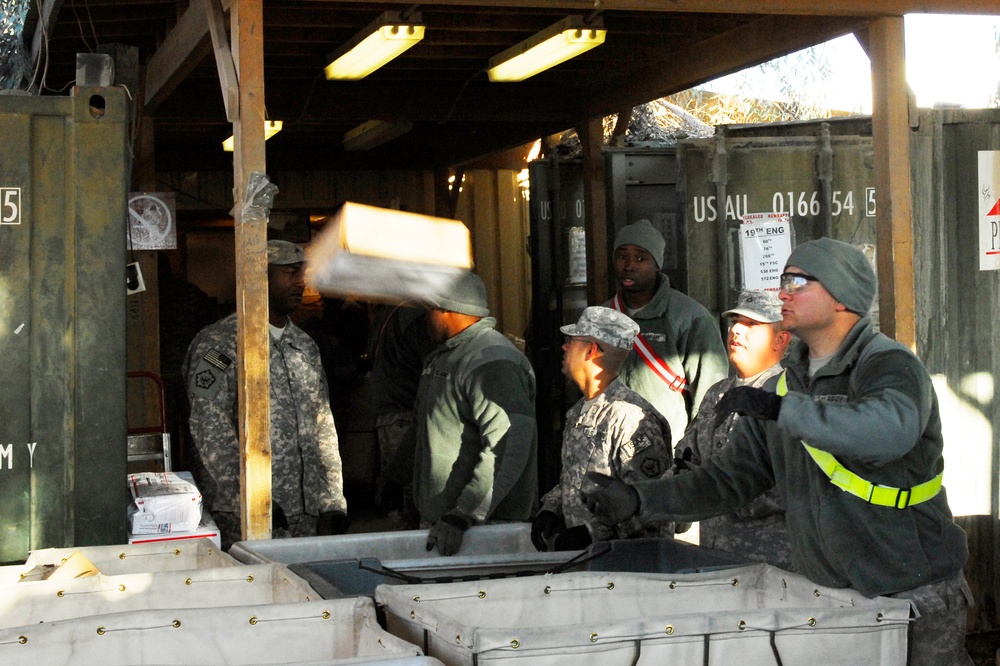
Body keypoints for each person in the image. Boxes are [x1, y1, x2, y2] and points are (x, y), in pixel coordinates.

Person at [583, 238, 972, 666]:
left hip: (912, 596)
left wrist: (786, 411)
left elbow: (887, 432)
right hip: (833, 601)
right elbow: (728, 481)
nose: (783, 292)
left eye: (798, 281)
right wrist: (641, 500)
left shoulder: (887, 365)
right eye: (783, 279)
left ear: (842, 297)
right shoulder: (784, 386)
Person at [183, 240, 349, 549]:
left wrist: (332, 500)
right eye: (289, 273)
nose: (301, 283)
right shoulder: (221, 343)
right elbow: (209, 425)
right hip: (249, 514)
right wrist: (251, 496)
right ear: (259, 276)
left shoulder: (304, 345)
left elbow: (322, 424)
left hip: (305, 515)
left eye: (302, 273)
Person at [414, 271, 538, 556]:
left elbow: (510, 444)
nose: (424, 319)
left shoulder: (492, 361)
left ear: (446, 309)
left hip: (481, 530)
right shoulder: (447, 356)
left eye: (428, 309)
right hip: (449, 526)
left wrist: (464, 512)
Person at [531, 306, 675, 552]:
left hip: (629, 567)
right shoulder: (579, 412)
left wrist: (591, 534)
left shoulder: (629, 417)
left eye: (571, 341)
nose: (564, 347)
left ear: (591, 350)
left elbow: (652, 499)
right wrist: (551, 508)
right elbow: (575, 478)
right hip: (591, 564)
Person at [673, 289, 793, 568]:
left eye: (752, 324)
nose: (737, 330)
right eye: (735, 322)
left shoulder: (787, 398)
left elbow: (790, 483)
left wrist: (718, 491)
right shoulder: (718, 393)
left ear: (781, 339)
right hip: (716, 557)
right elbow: (688, 457)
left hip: (770, 562)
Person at [606, 219, 727, 444]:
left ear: (657, 265)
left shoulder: (690, 317)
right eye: (622, 256)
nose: (629, 265)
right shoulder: (603, 316)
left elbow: (710, 395)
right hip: (609, 447)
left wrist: (692, 453)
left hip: (666, 452)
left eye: (641, 258)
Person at [367, 302, 435, 527]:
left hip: (390, 414)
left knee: (399, 496)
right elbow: (433, 360)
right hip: (405, 414)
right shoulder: (413, 314)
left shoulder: (388, 312)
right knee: (411, 497)